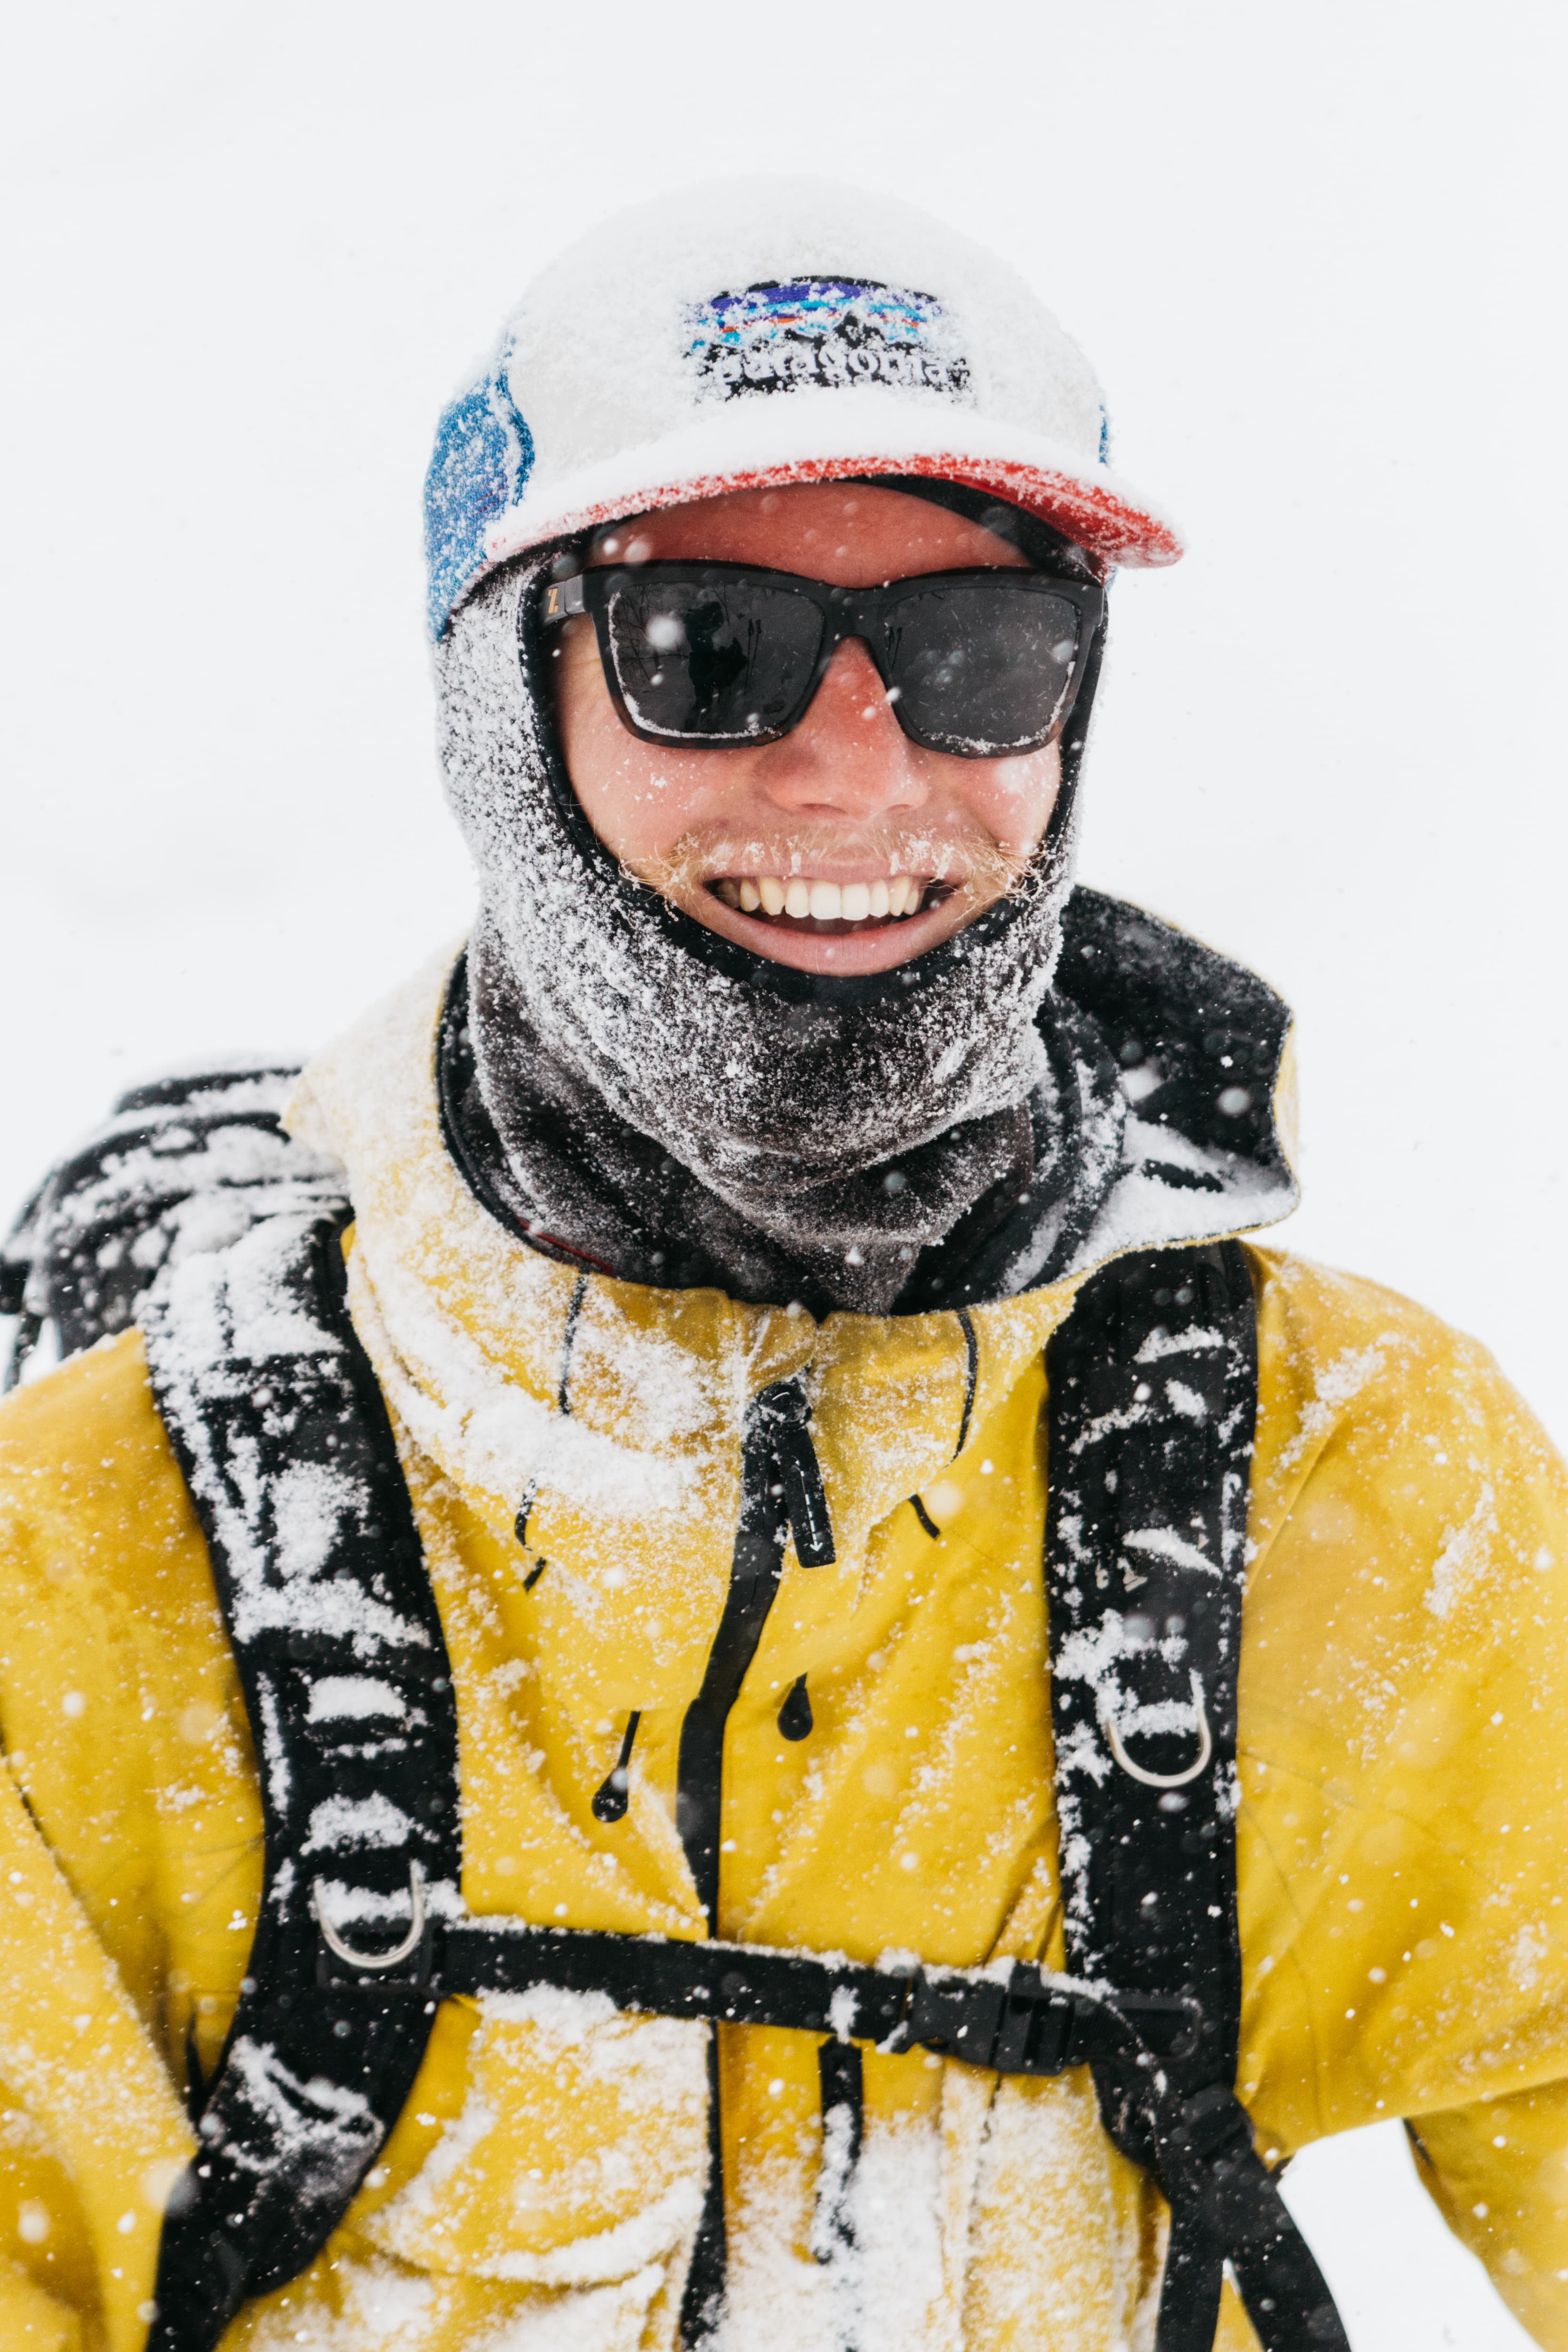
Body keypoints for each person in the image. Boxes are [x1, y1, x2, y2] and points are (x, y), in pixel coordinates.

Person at [1, 177, 1567, 2352]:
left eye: (980, 655)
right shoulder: (93, 1545)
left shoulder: (1368, 1489)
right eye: (710, 649)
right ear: (505, 700)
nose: (863, 765)